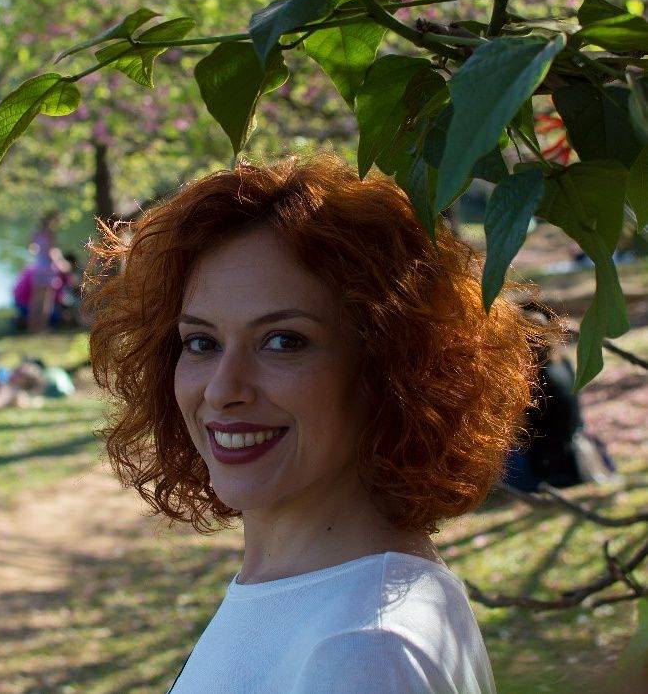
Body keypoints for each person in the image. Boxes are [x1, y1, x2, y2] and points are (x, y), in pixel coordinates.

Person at [83, 152, 557, 694]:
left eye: (284, 341)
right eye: (201, 342)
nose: (221, 389)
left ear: (391, 366)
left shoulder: (364, 651)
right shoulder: (310, 593)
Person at [502, 304, 618, 492]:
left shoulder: (531, 379)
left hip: (551, 467)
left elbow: (517, 431)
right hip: (581, 453)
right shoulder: (563, 363)